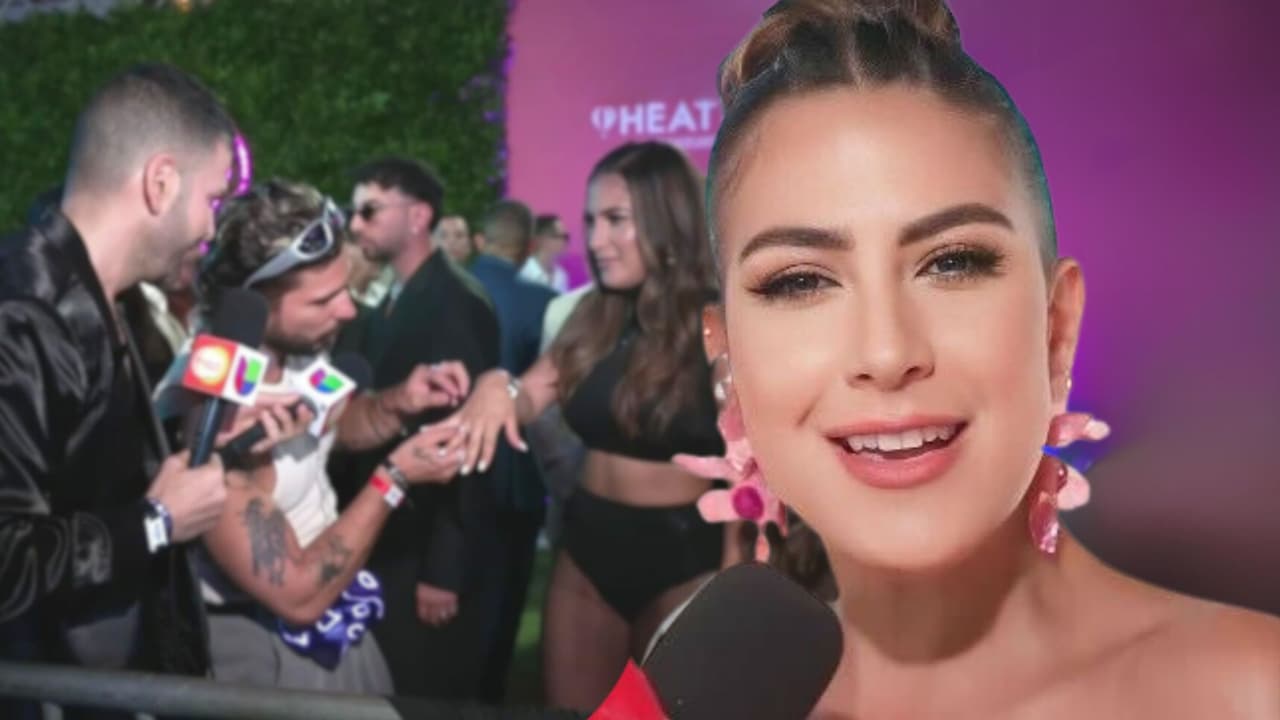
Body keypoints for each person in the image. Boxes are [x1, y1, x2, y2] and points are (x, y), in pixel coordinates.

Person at [699, 1, 1280, 716]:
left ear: (1057, 329)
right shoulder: (714, 702)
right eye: (800, 281)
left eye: (953, 262)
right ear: (727, 358)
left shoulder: (1253, 692)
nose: (887, 352)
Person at [155, 179, 472, 694]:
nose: (348, 310)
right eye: (324, 299)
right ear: (254, 304)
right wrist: (394, 478)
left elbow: (331, 426)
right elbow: (298, 594)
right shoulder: (212, 410)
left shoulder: (295, 347)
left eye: (345, 289)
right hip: (269, 653)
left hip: (339, 630)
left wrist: (398, 401)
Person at [450, 141, 727, 711]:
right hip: (587, 549)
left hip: (686, 556)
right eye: (591, 221)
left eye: (616, 220)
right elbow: (529, 393)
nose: (596, 240)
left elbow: (752, 461)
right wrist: (495, 387)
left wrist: (738, 572)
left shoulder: (717, 322)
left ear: (666, 218)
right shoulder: (590, 315)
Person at [0, 64, 236, 714]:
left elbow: (82, 466)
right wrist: (156, 523)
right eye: (213, 200)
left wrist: (184, 433)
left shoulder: (110, 298)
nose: (211, 229)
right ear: (161, 183)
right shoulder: (24, 313)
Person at [331, 156, 503, 700]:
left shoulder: (455, 302)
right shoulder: (393, 295)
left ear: (419, 216)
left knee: (422, 691)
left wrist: (444, 569)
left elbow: (470, 438)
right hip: (387, 528)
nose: (355, 224)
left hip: (423, 541)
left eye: (370, 210)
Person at [466, 199, 557, 701]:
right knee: (501, 606)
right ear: (527, 246)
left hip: (452, 463)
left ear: (481, 239)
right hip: (516, 470)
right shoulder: (542, 301)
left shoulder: (449, 288)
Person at [518, 214, 571, 293]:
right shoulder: (523, 272)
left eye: (566, 236)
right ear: (540, 238)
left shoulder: (561, 275)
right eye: (557, 236)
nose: (563, 241)